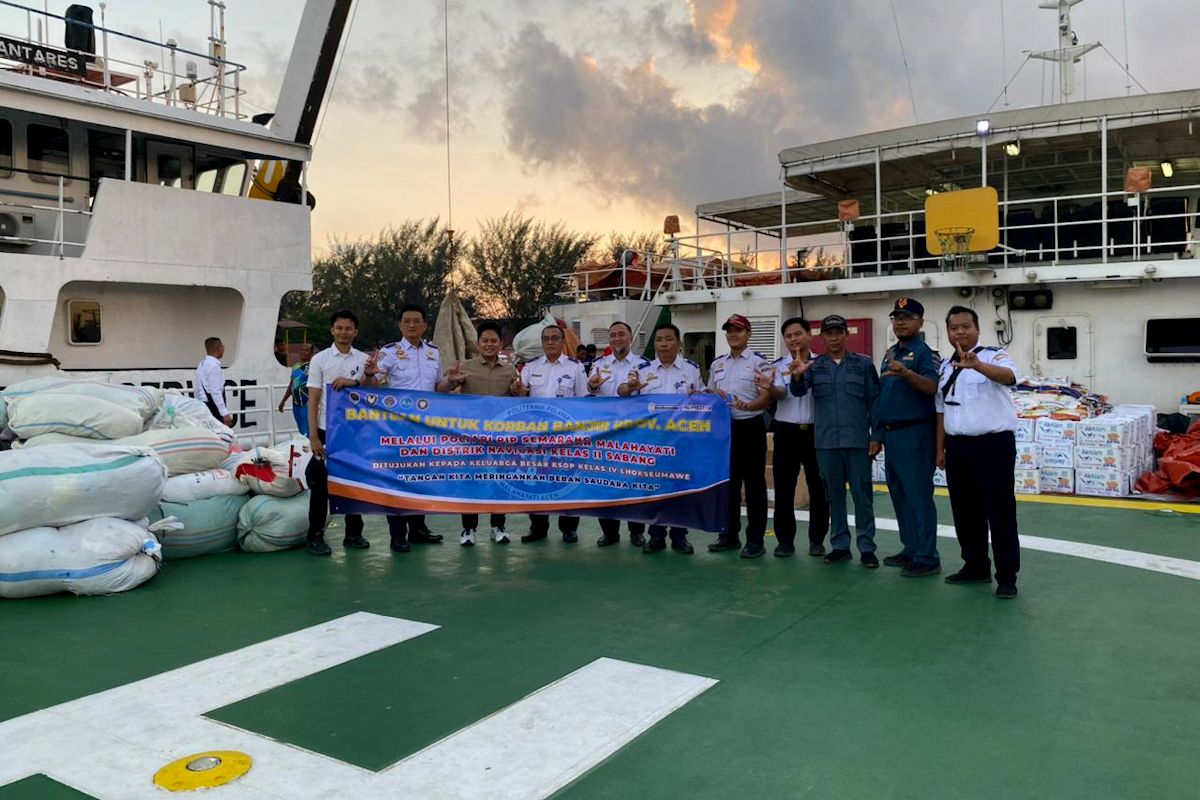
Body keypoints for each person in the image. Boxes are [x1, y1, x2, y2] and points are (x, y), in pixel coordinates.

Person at [936, 305, 1022, 599]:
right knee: (964, 511)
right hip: (958, 446)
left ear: (977, 329)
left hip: (993, 445)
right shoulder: (944, 367)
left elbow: (1009, 377)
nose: (960, 332)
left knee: (1000, 512)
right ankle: (975, 566)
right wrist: (940, 448)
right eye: (954, 328)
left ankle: (1007, 576)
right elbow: (940, 410)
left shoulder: (994, 355)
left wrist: (977, 366)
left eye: (965, 327)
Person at [789, 315, 880, 567]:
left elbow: (875, 401)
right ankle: (840, 545)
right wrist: (797, 376)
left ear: (846, 335)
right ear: (822, 337)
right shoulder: (814, 366)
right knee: (834, 496)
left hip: (857, 441)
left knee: (863, 496)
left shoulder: (863, 364)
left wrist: (877, 435)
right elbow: (798, 391)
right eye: (829, 333)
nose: (834, 337)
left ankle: (867, 547)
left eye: (839, 332)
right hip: (827, 443)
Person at [872, 297, 941, 578]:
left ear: (920, 322)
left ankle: (927, 556)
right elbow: (882, 396)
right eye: (896, 317)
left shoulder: (925, 354)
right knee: (899, 494)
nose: (900, 322)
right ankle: (911, 547)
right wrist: (877, 434)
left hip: (915, 434)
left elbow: (931, 387)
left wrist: (908, 374)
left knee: (918, 495)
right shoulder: (890, 353)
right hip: (891, 435)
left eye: (907, 317)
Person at [619, 322, 700, 554]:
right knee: (655, 489)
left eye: (668, 339)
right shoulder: (642, 370)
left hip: (681, 441)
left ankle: (679, 536)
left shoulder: (691, 370)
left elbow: (702, 400)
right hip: (652, 442)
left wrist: (699, 397)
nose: (663, 344)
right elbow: (622, 392)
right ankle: (655, 536)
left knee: (680, 489)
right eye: (659, 340)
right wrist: (631, 388)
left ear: (679, 343)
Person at [369, 303, 444, 552]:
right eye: (407, 321)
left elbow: (438, 386)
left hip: (426, 427)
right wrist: (369, 374)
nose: (412, 325)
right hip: (398, 428)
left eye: (416, 321)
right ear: (400, 325)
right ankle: (398, 534)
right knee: (397, 479)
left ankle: (418, 528)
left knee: (420, 479)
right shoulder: (389, 353)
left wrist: (452, 381)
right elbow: (374, 384)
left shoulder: (434, 352)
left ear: (425, 325)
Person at [438, 321, 520, 546]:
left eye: (494, 341)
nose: (489, 344)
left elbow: (518, 399)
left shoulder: (510, 370)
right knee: (470, 481)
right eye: (485, 341)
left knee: (500, 481)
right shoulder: (464, 366)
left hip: (501, 437)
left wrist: (519, 392)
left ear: (500, 344)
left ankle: (498, 526)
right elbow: (441, 390)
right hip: (471, 437)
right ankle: (468, 529)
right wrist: (450, 381)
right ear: (478, 344)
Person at [512, 324, 588, 544]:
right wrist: (519, 392)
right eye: (546, 339)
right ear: (542, 342)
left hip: (565, 437)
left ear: (563, 342)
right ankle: (538, 528)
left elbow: (583, 402)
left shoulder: (575, 368)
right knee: (536, 481)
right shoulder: (530, 367)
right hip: (536, 437)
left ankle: (569, 529)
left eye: (555, 338)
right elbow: (521, 394)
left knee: (566, 481)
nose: (550, 342)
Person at [760, 317, 829, 558]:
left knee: (819, 489)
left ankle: (817, 541)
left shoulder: (821, 364)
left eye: (798, 334)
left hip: (816, 432)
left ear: (809, 334)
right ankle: (785, 541)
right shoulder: (777, 367)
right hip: (786, 432)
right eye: (788, 336)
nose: (793, 339)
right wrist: (770, 387)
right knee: (784, 489)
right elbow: (779, 394)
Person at [704, 314, 772, 559]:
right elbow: (710, 392)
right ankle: (729, 535)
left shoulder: (759, 362)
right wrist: (713, 394)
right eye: (730, 331)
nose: (733, 335)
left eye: (739, 330)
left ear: (748, 334)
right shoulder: (717, 364)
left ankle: (755, 540)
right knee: (728, 485)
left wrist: (750, 406)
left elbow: (767, 396)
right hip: (724, 430)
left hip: (750, 427)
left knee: (754, 486)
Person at [304, 310, 370, 556]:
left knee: (354, 483)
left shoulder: (364, 360)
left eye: (348, 328)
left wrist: (356, 381)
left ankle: (353, 533)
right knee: (320, 484)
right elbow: (313, 399)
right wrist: (313, 436)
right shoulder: (319, 360)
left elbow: (373, 391)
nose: (344, 332)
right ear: (332, 330)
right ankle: (315, 535)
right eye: (339, 328)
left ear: (356, 331)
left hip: (354, 432)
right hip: (326, 431)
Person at [588, 321, 650, 548]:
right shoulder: (598, 365)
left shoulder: (644, 365)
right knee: (605, 482)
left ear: (630, 337)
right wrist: (593, 386)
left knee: (635, 481)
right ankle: (610, 532)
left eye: (621, 334)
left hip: (634, 431)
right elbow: (589, 395)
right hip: (604, 433)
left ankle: (636, 531)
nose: (617, 339)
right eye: (613, 335)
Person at [194, 336, 233, 427]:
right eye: (223, 347)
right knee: (219, 432)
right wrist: (224, 413)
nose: (224, 349)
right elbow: (215, 391)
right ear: (219, 349)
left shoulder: (202, 364)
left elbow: (197, 388)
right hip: (213, 407)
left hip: (204, 405)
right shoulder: (213, 366)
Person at [278, 343, 315, 436]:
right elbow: (292, 384)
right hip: (296, 403)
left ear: (311, 353)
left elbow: (316, 386)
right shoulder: (295, 366)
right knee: (300, 429)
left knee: (307, 429)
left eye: (306, 350)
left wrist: (312, 400)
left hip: (306, 403)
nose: (303, 352)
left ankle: (310, 444)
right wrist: (283, 400)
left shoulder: (314, 367)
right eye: (302, 350)